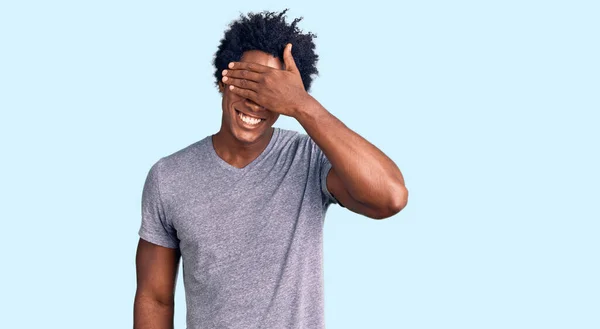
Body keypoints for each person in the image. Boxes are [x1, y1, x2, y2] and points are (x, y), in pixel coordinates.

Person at [133, 9, 408, 329]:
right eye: (248, 83)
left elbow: (390, 197)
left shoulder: (309, 158)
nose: (255, 103)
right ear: (223, 80)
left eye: (272, 93)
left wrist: (303, 106)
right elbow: (155, 297)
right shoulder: (169, 177)